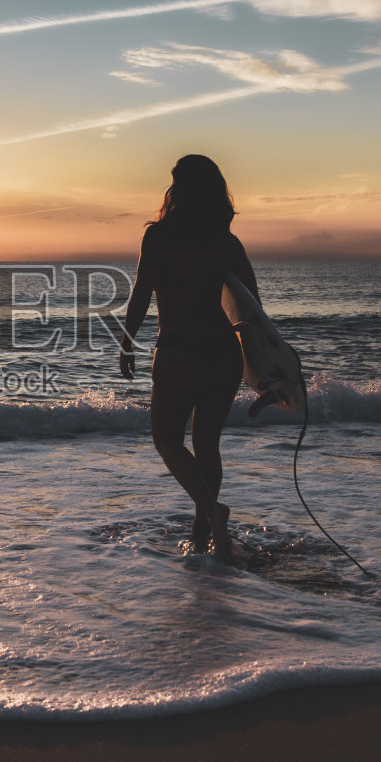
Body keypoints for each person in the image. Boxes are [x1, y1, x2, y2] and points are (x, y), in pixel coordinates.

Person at [119, 154, 260, 558]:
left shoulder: (160, 237)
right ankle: (205, 532)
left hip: (179, 349)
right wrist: (259, 362)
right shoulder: (228, 244)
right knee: (207, 444)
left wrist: (127, 341)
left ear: (179, 188)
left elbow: (142, 293)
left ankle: (213, 513)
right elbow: (252, 308)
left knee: (167, 440)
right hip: (222, 353)